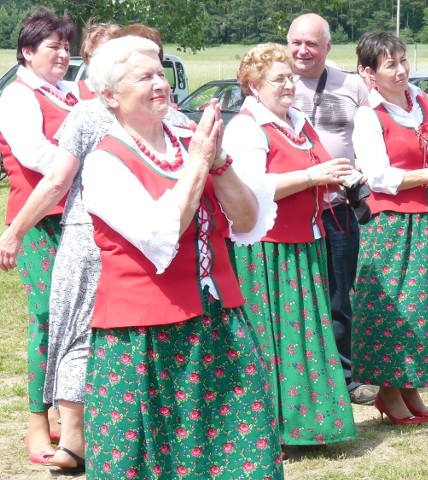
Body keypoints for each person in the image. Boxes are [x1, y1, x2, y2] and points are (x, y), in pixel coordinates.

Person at [79, 36, 283, 477]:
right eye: (144, 76)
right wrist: (198, 161)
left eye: (161, 73)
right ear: (110, 95)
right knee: (156, 455)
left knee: (239, 445)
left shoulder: (193, 141)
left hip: (217, 318)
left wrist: (219, 161)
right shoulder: (104, 162)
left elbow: (247, 221)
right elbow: (161, 235)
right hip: (145, 333)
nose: (160, 84)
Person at [0, 24, 192, 471]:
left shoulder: (90, 110)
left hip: (93, 232)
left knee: (79, 332)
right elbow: (46, 174)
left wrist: (14, 232)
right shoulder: (152, 115)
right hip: (133, 232)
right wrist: (18, 229)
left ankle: (77, 439)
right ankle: (83, 434)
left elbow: (57, 182)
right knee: (87, 328)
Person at [223, 42, 358, 447]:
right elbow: (250, 189)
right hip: (267, 248)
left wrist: (339, 175)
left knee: (304, 335)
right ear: (253, 84)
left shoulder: (295, 120)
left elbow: (312, 167)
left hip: (305, 241)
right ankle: (270, 428)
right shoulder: (247, 127)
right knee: (272, 337)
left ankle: (308, 424)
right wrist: (314, 176)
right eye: (279, 79)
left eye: (290, 78)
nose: (289, 85)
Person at [353, 31, 428, 424]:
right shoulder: (369, 114)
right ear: (369, 74)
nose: (402, 70)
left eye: (403, 60)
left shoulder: (419, 101)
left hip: (427, 216)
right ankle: (388, 392)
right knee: (398, 308)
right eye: (391, 64)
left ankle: (409, 388)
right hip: (392, 224)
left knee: (424, 306)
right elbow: (378, 176)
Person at [286, 13, 376, 405]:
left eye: (311, 44)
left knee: (339, 294)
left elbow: (374, 132)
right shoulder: (275, 83)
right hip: (291, 210)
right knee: (295, 296)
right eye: (296, 43)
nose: (302, 51)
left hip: (337, 207)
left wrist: (366, 171)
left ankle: (344, 377)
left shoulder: (352, 85)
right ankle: (300, 378)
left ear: (327, 48)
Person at [0, 7, 76, 466]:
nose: (63, 54)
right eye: (53, 46)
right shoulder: (16, 96)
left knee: (78, 317)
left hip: (78, 219)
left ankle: (71, 421)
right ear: (27, 53)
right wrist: (87, 169)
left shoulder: (69, 93)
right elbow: (33, 153)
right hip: (38, 221)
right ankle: (35, 420)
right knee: (47, 317)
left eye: (67, 46)